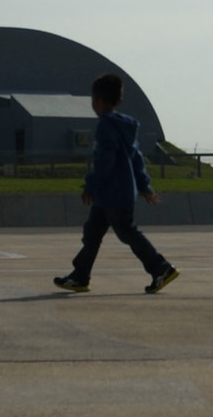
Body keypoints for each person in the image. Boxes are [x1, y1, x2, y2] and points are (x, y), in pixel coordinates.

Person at [53, 73, 179, 294]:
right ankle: (80, 276)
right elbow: (137, 158)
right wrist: (144, 185)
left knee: (127, 232)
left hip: (113, 193)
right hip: (111, 195)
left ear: (97, 101)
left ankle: (161, 268)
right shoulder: (124, 128)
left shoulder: (106, 126)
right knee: (92, 233)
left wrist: (91, 184)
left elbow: (104, 160)